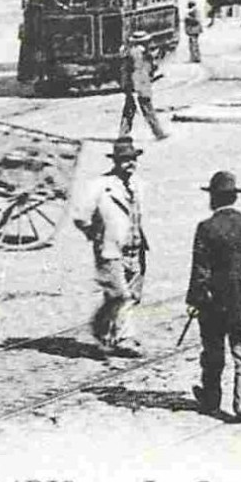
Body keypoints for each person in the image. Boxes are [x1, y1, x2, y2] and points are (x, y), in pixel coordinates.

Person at [186, 170, 241, 423]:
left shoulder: (206, 228)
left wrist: (194, 300)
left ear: (214, 198)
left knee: (213, 352)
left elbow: (200, 270)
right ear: (234, 197)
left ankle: (211, 400)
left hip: (215, 303)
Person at [67, 137, 149, 356]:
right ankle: (125, 338)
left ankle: (107, 333)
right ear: (115, 161)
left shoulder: (138, 185)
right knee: (120, 295)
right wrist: (95, 235)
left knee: (130, 295)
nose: (129, 164)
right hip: (111, 249)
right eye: (124, 160)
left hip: (136, 248)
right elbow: (80, 216)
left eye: (132, 159)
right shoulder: (100, 186)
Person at [118, 32, 169, 141]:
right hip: (139, 85)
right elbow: (138, 70)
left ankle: (123, 134)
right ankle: (158, 132)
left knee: (130, 109)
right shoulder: (137, 53)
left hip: (136, 85)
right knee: (145, 108)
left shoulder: (134, 52)